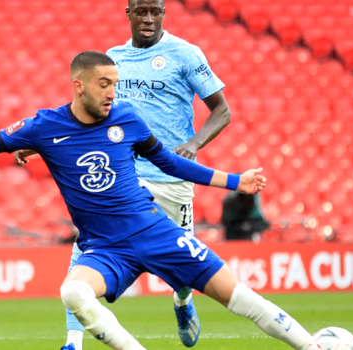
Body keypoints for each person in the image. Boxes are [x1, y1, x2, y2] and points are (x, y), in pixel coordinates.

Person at [0, 51, 314, 350]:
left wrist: (234, 180)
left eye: (115, 83)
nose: (113, 92)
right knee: (73, 294)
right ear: (78, 86)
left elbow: (169, 162)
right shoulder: (44, 126)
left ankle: (312, 346)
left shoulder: (127, 118)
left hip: (154, 231)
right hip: (105, 248)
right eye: (104, 84)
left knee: (239, 297)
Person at [16, 0, 231, 347]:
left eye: (155, 12)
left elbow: (222, 111)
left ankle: (182, 300)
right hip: (123, 174)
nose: (148, 18)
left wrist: (194, 144)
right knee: (84, 248)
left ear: (163, 13)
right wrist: (41, 142)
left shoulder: (186, 54)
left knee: (185, 267)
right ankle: (73, 342)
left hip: (171, 177)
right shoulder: (113, 57)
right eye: (141, 11)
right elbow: (88, 110)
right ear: (128, 13)